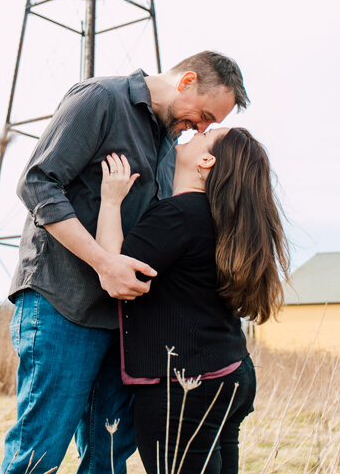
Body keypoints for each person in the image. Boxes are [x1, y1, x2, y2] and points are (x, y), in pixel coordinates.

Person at [1, 51, 249, 474]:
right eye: (204, 114)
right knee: (40, 451)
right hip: (64, 305)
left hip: (125, 326)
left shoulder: (171, 146)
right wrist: (102, 262)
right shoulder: (100, 98)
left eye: (210, 125)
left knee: (110, 454)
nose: (203, 129)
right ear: (186, 80)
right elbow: (37, 183)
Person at [94, 127, 289, 474]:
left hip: (186, 391)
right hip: (233, 375)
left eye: (207, 134)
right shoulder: (225, 218)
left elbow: (117, 276)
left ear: (206, 160)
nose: (198, 131)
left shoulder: (180, 214)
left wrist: (110, 201)